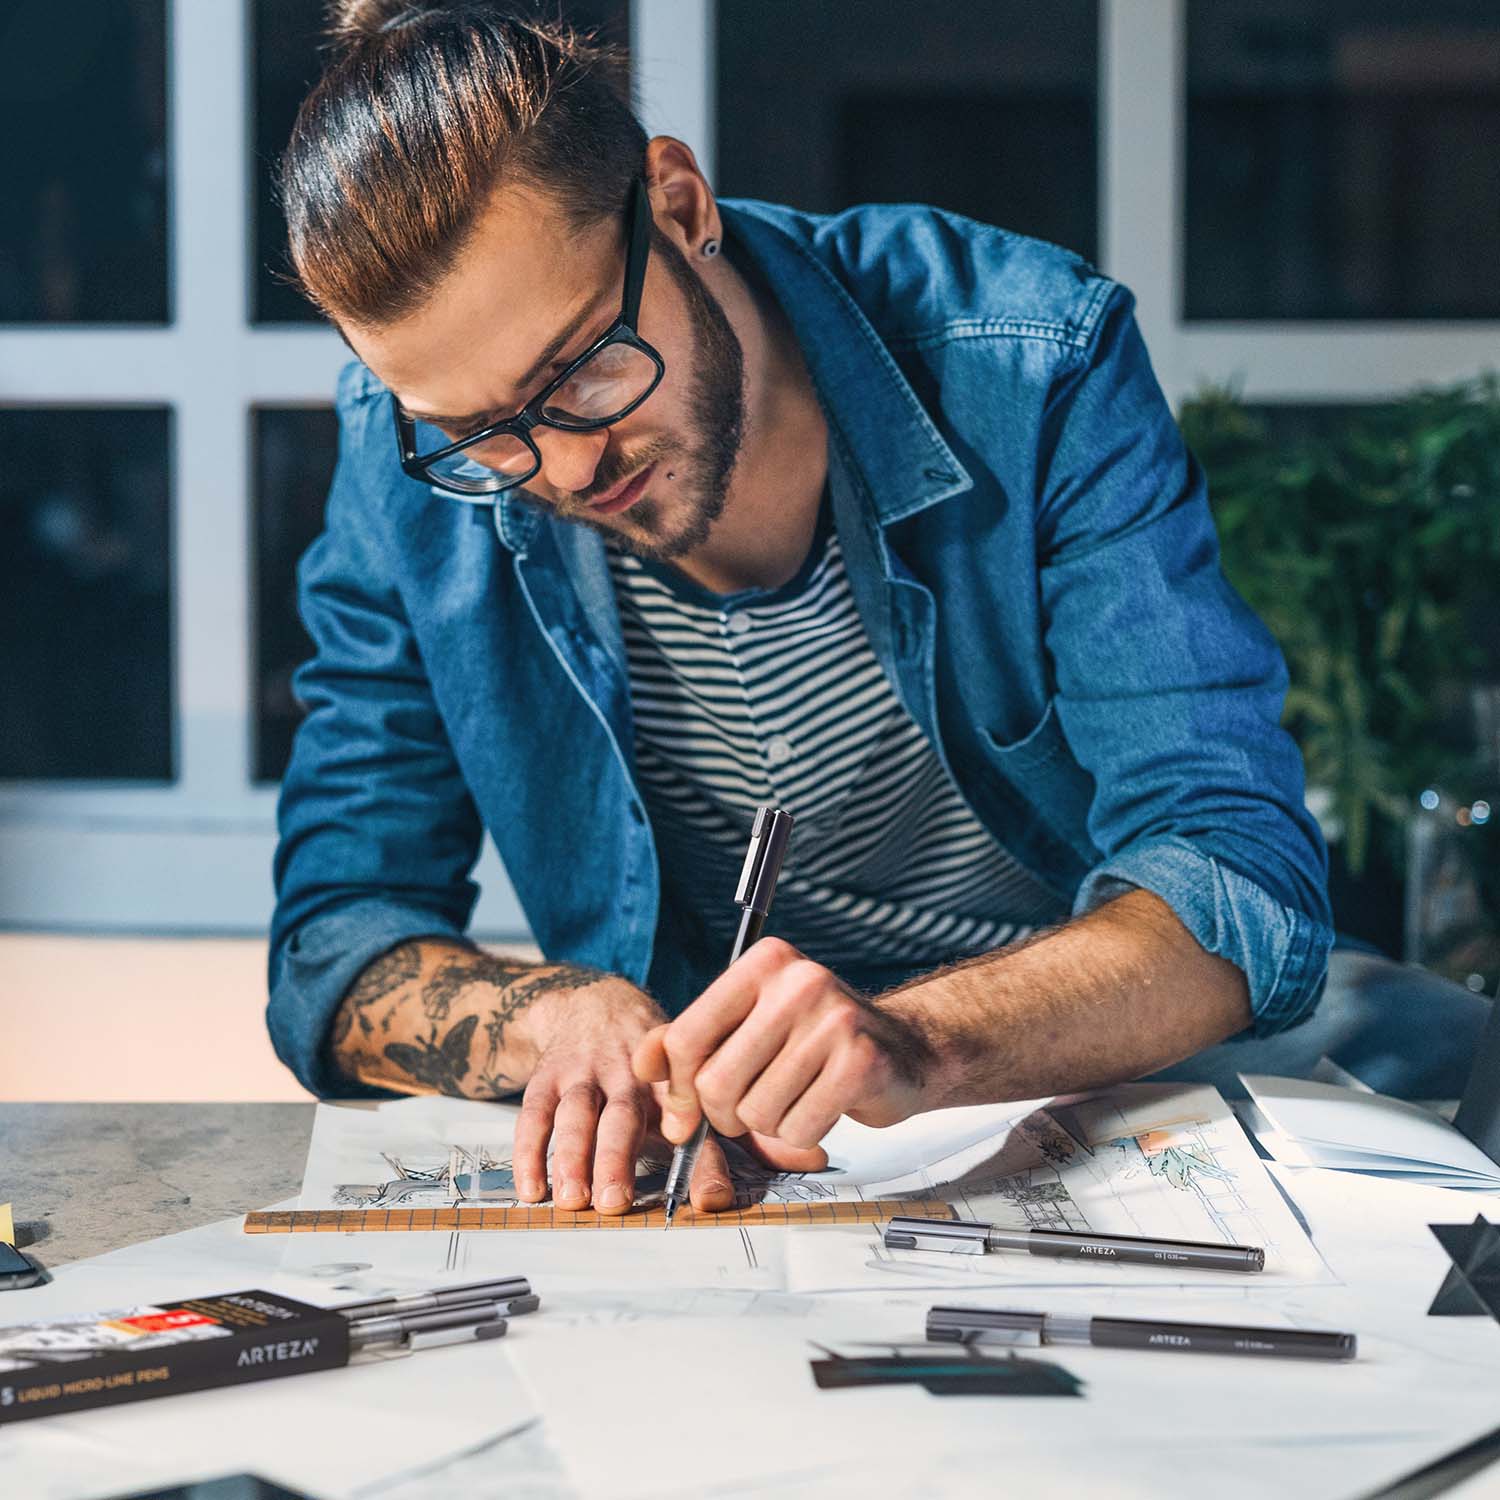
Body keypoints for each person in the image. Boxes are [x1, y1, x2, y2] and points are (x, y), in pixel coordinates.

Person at [269, 1, 1345, 1215]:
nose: (564, 468)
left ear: (679, 207)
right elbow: (334, 943)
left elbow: (1237, 878)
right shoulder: (403, 470)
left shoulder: (1032, 365)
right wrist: (547, 1019)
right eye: (477, 433)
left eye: (580, 372)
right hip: (723, 1177)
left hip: (1072, 1126)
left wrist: (921, 1040)